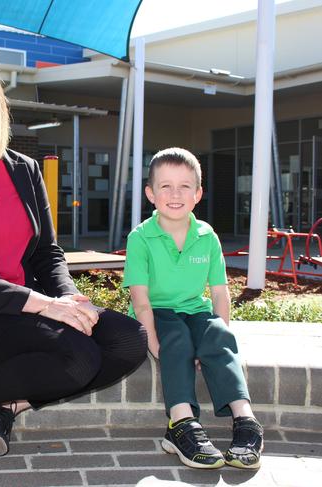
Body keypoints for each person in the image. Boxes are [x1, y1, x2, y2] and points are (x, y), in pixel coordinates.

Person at [0, 44, 148, 468]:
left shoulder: (25, 169)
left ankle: (5, 406)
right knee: (78, 357)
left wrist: (69, 299)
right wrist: (46, 306)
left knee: (129, 340)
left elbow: (47, 252)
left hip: (25, 311)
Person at [123, 147, 264, 470]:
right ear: (150, 193)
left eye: (185, 186)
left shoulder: (207, 236)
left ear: (198, 193)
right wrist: (156, 347)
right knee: (176, 338)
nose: (175, 194)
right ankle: (181, 424)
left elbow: (220, 293)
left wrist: (217, 332)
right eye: (165, 186)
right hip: (157, 312)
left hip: (193, 310)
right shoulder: (141, 238)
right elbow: (141, 300)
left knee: (217, 333)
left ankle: (245, 420)